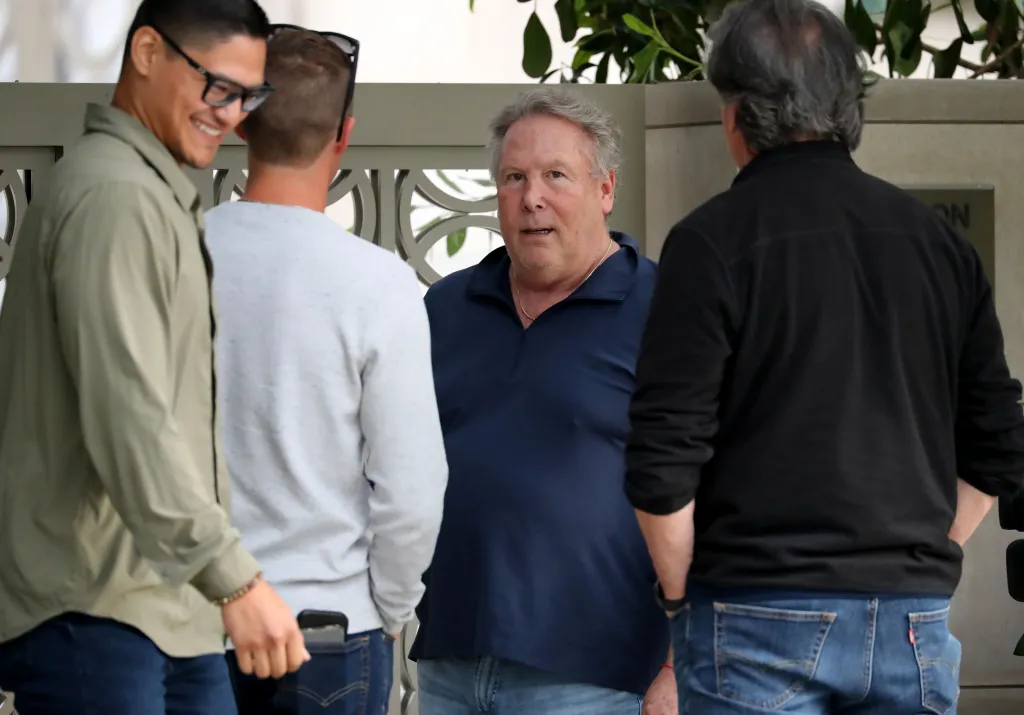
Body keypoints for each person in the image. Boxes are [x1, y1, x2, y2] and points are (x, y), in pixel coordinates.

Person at [624, 0, 1024, 713]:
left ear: (736, 115)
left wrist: (684, 601)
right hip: (912, 626)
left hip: (753, 617)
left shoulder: (711, 242)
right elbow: (998, 449)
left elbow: (662, 462)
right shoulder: (938, 246)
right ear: (848, 107)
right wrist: (915, 556)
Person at [0, 2, 310, 713]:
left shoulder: (151, 191)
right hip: (97, 614)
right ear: (146, 51)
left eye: (247, 95)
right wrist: (234, 578)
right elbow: (129, 416)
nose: (232, 114)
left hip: (160, 607)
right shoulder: (115, 194)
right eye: (217, 86)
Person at [203, 25, 449, 714]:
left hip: (195, 621)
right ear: (344, 136)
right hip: (331, 629)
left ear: (241, 122)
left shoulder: (179, 254)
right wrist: (391, 604)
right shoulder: (380, 283)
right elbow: (412, 488)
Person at [411, 87, 676, 715]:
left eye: (556, 175)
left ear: (605, 188)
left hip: (596, 677)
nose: (531, 197)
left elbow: (717, 491)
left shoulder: (667, 310)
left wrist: (678, 662)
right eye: (513, 177)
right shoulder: (445, 308)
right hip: (449, 663)